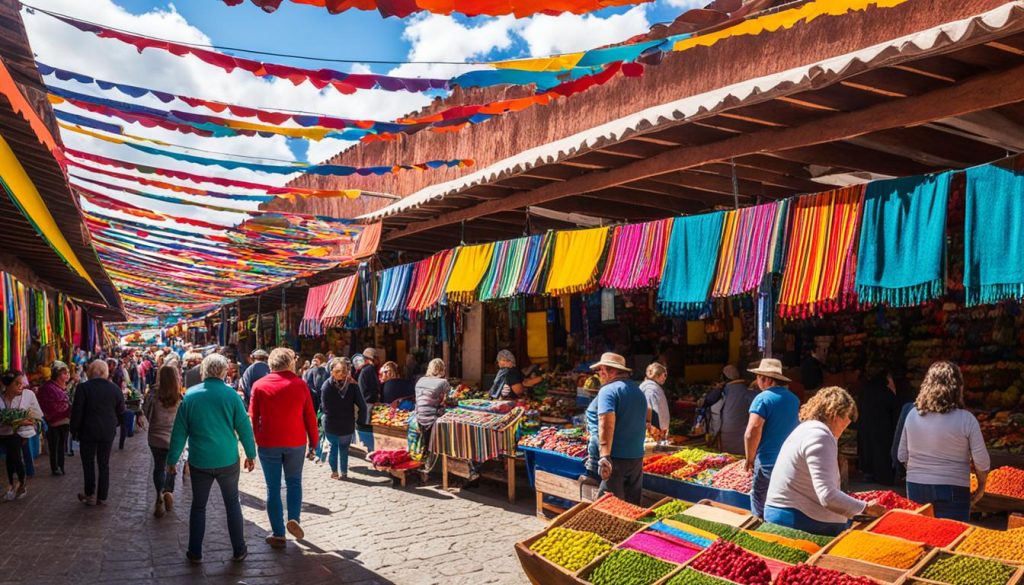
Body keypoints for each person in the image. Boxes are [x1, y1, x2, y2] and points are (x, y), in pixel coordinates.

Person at [167, 353, 256, 563]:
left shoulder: (190, 396)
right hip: (227, 458)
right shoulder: (231, 395)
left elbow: (179, 433)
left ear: (203, 372)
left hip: (200, 460)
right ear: (225, 372)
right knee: (232, 503)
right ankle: (238, 549)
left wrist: (172, 461)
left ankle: (195, 552)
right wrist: (251, 454)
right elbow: (244, 428)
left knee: (198, 506)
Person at [765, 387, 886, 536]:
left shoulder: (804, 429)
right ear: (834, 415)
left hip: (780, 511)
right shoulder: (820, 436)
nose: (846, 426)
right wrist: (865, 508)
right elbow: (828, 496)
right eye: (846, 420)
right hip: (799, 519)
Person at [897, 361, 990, 521]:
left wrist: (921, 473)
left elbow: (902, 456)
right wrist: (981, 486)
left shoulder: (912, 415)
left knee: (923, 537)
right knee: (951, 539)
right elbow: (982, 463)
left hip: (916, 487)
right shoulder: (966, 419)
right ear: (958, 388)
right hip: (953, 489)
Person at [249, 348, 318, 549]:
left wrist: (254, 441)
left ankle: (278, 533)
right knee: (294, 482)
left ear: (271, 364)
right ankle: (294, 518)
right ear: (290, 364)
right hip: (295, 441)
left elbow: (253, 417)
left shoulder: (259, 386)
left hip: (268, 442)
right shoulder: (300, 385)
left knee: (273, 488)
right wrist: (314, 442)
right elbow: (310, 417)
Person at [589, 353, 649, 505]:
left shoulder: (608, 390)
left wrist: (604, 455)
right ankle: (634, 530)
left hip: (615, 458)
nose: (599, 375)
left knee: (608, 507)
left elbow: (606, 422)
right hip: (636, 457)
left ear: (605, 371)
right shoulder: (637, 391)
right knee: (632, 507)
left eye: (600, 371)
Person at [744, 358, 800, 519]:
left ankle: (760, 531)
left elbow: (752, 431)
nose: (757, 381)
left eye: (758, 377)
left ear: (767, 379)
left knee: (759, 499)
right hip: (789, 460)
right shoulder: (793, 399)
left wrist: (749, 458)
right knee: (783, 500)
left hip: (767, 461)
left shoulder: (763, 398)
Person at [70, 360, 125, 506]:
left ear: (91, 371)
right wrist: (115, 423)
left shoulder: (83, 388)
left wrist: (74, 430)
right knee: (104, 463)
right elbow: (121, 410)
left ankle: (90, 494)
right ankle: (102, 495)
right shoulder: (114, 389)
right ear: (105, 372)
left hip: (88, 431)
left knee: (88, 463)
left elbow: (77, 411)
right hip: (107, 431)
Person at [141, 363, 181, 518]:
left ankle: (159, 495)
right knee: (171, 464)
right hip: (174, 438)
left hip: (156, 438)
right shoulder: (179, 396)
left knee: (158, 467)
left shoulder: (153, 393)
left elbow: (146, 412)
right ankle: (168, 491)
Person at [320, 357, 370, 479]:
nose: (341, 374)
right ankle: (343, 473)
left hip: (333, 424)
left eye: (342, 371)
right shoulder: (352, 385)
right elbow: (362, 406)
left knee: (334, 449)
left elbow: (324, 408)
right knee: (343, 449)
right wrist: (359, 421)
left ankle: (335, 472)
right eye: (339, 371)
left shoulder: (326, 386)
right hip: (346, 424)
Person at [0, 369, 43, 500]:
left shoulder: (28, 395)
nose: (21, 386)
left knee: (14, 454)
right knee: (9, 458)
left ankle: (17, 484)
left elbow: (38, 416)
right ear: (8, 385)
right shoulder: (1, 399)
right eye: (17, 383)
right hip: (2, 433)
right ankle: (14, 484)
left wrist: (27, 422)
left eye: (21, 383)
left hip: (20, 433)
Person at [856, 365, 901, 485]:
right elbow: (895, 410)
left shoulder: (865, 390)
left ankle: (868, 474)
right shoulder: (886, 391)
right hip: (883, 429)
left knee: (867, 449)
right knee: (881, 454)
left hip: (865, 427)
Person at [37, 361, 72, 476]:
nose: (67, 375)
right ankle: (55, 467)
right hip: (53, 422)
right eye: (64, 373)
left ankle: (61, 466)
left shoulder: (63, 387)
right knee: (54, 446)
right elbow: (46, 405)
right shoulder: (48, 387)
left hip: (65, 421)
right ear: (57, 375)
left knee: (62, 445)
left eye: (67, 373)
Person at [414, 358, 451, 460]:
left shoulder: (420, 380)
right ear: (442, 369)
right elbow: (447, 400)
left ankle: (425, 455)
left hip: (418, 417)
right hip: (432, 418)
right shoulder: (443, 382)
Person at [356, 348, 380, 451]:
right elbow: (371, 388)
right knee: (367, 427)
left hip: (365, 403)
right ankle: (369, 449)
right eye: (377, 358)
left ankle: (368, 449)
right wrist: (375, 399)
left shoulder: (365, 370)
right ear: (372, 359)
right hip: (368, 404)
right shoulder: (369, 370)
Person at [639, 362, 670, 441]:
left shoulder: (653, 387)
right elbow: (649, 408)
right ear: (657, 375)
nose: (665, 378)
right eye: (664, 375)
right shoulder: (650, 389)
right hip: (654, 429)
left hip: (658, 428)